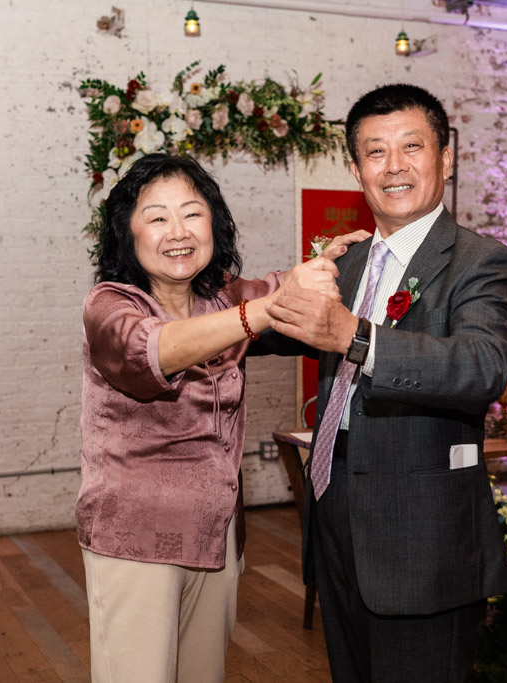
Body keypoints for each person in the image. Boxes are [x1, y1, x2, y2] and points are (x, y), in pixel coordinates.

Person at [267, 84, 507, 681]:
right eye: (376, 152)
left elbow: (482, 364)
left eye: (413, 147)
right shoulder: (347, 263)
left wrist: (354, 336)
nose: (395, 166)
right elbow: (266, 324)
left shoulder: (480, 260)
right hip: (333, 505)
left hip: (420, 530)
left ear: (446, 158)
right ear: (357, 169)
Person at [76, 153, 364, 683]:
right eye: (157, 217)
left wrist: (343, 260)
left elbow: (291, 289)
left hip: (216, 537)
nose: (177, 231)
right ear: (128, 232)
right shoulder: (110, 305)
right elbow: (154, 351)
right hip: (137, 538)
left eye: (192, 213)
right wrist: (268, 309)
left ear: (214, 223)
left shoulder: (222, 297)